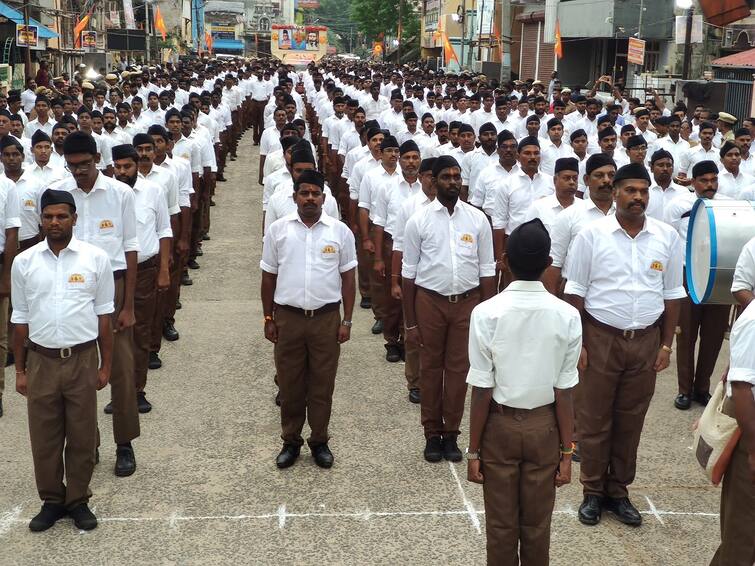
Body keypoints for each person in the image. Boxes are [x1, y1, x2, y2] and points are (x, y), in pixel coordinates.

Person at [564, 163, 685, 527]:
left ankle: (618, 491)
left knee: (631, 421)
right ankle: (592, 492)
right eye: (630, 190)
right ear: (614, 192)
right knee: (594, 418)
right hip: (601, 338)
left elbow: (673, 294)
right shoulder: (592, 235)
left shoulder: (666, 237)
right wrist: (580, 345)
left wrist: (665, 346)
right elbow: (576, 294)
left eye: (643, 191)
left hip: (645, 341)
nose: (638, 198)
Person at [466, 218, 580, 566]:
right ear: (548, 264)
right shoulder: (568, 315)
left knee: (501, 527)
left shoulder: (485, 313)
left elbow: (482, 390)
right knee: (536, 526)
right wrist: (566, 451)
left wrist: (473, 451)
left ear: (504, 260)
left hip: (499, 428)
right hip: (544, 428)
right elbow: (565, 392)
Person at [12, 189, 114, 532]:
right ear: (41, 219)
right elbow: (20, 319)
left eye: (61, 216)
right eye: (48, 216)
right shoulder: (24, 262)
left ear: (74, 218)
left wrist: (105, 366)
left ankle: (78, 499)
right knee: (44, 435)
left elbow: (104, 317)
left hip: (82, 358)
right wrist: (21, 370)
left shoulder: (95, 258)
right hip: (40, 360)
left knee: (83, 434)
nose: (54, 222)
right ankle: (52, 500)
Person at [52, 131, 140, 477]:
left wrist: (129, 304)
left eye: (85, 165)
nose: (79, 172)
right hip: (76, 290)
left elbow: (130, 248)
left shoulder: (119, 193)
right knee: (81, 369)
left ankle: (125, 443)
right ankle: (89, 442)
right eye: (73, 166)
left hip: (114, 285)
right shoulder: (62, 193)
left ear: (97, 160)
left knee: (120, 367)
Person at [401, 155, 496, 463]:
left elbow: (486, 271)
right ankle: (431, 434)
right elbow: (408, 274)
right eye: (446, 177)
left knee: (458, 372)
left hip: (466, 304)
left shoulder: (477, 219)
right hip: (429, 301)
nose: (453, 181)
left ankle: (451, 435)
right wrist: (410, 323)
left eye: (457, 176)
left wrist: (486, 314)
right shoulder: (419, 220)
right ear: (434, 181)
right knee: (430, 370)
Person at [260, 169, 356, 469]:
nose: (310, 198)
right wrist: (268, 317)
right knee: (290, 386)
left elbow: (349, 279)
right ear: (295, 197)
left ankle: (320, 441)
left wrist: (347, 320)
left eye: (316, 193)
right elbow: (268, 276)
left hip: (326, 319)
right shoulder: (278, 230)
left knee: (322, 385)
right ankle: (290, 441)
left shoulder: (340, 231)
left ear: (324, 198)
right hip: (288, 318)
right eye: (305, 193)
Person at [664, 160, 730, 410]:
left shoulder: (727, 204)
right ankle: (684, 390)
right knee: (686, 335)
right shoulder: (678, 206)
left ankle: (702, 388)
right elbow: (668, 243)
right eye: (704, 180)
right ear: (693, 183)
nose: (710, 185)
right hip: (687, 276)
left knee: (713, 336)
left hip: (718, 278)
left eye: (713, 180)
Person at [111, 144, 172, 414]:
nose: (123, 172)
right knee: (110, 334)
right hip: (113, 274)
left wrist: (164, 270)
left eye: (128, 166)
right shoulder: (107, 195)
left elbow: (164, 230)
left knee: (139, 331)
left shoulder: (153, 192)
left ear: (138, 165)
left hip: (146, 270)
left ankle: (136, 391)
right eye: (118, 167)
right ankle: (117, 391)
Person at [710, 301, 755, 565]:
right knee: (743, 535)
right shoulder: (752, 321)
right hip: (750, 429)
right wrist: (752, 451)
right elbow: (741, 388)